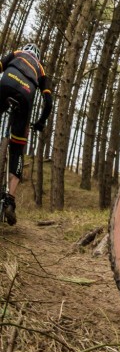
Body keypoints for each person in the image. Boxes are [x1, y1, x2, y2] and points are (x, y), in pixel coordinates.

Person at [1, 44, 53, 225]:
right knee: (17, 148)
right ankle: (10, 200)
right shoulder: (39, 67)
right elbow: (48, 101)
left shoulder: (17, 53)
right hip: (26, 95)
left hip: (5, 84)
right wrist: (40, 122)